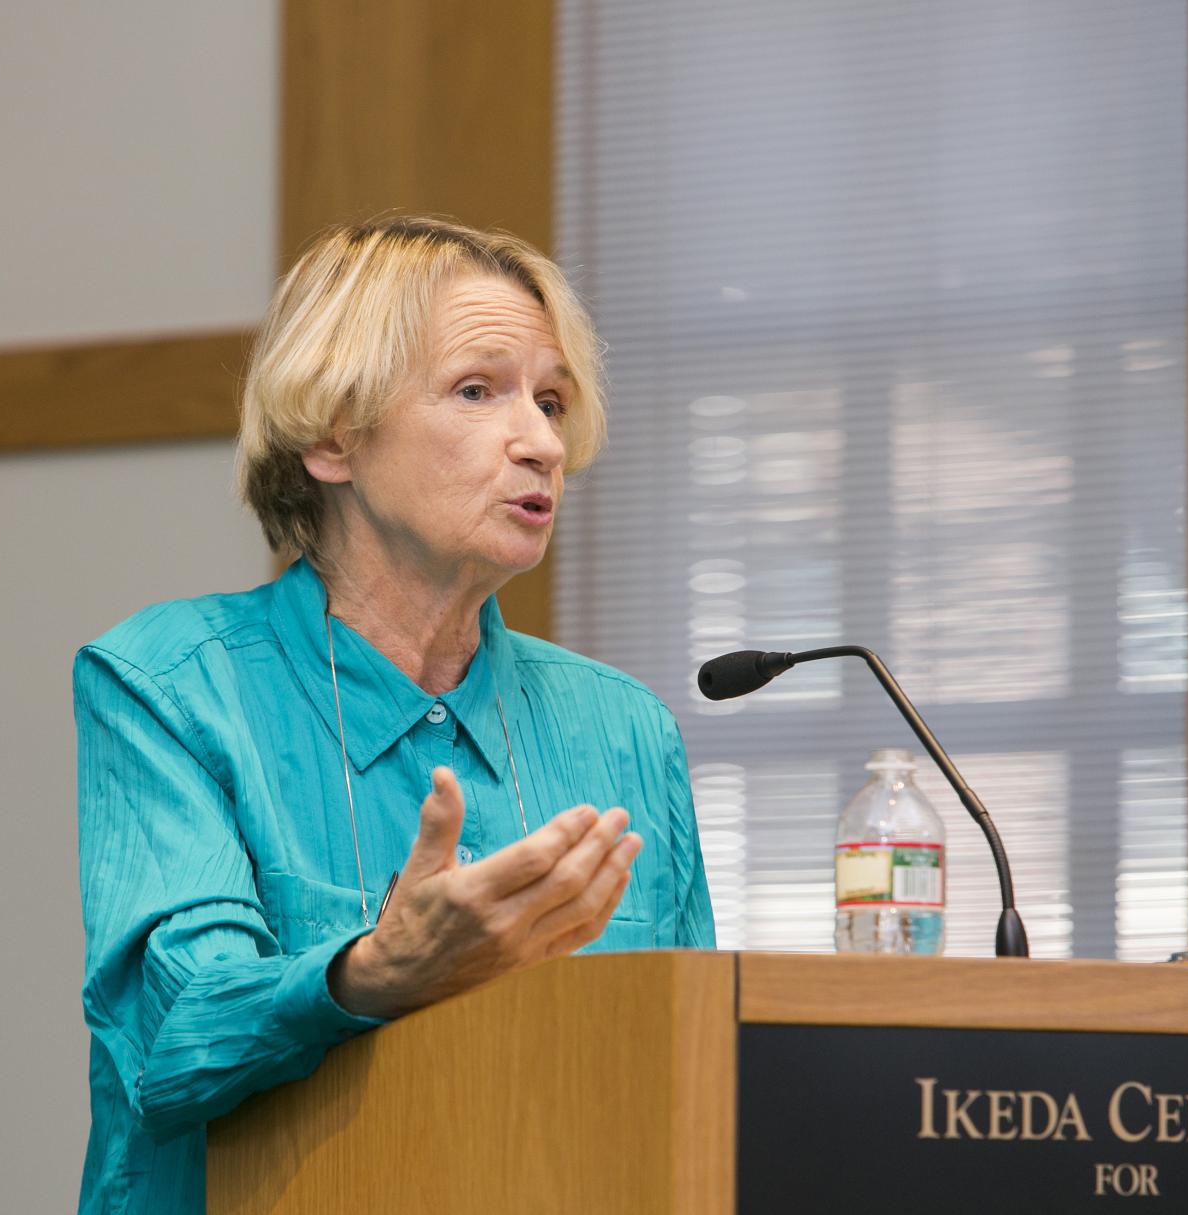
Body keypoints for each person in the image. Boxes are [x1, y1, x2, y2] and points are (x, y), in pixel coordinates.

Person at [73, 215, 715, 1214]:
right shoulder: (169, 684)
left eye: (550, 401)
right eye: (476, 390)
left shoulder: (624, 728)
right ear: (333, 434)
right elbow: (167, 1044)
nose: (542, 442)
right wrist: (374, 972)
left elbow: (694, 1072)